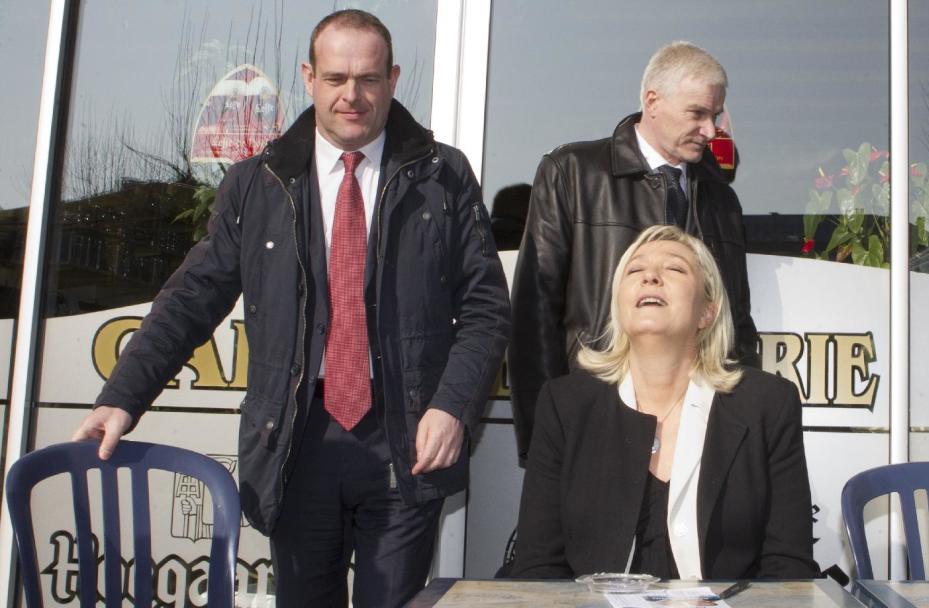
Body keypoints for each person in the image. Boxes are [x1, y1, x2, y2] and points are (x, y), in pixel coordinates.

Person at [71, 9, 510, 607]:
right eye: (335, 78)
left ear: (394, 78)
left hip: (405, 440)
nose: (351, 95)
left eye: (368, 79)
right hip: (295, 441)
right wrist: (120, 398)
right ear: (308, 77)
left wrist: (452, 406)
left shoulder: (443, 175)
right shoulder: (259, 182)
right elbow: (191, 299)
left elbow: (485, 308)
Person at [510, 225, 818, 580]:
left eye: (674, 269)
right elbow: (538, 566)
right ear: (618, 305)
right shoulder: (566, 404)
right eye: (635, 270)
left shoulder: (767, 404)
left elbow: (789, 567)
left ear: (707, 312)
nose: (651, 277)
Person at [509, 41, 759, 463]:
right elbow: (534, 317)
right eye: (697, 113)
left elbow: (737, 320)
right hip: (594, 420)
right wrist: (543, 443)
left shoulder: (721, 199)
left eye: (714, 116)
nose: (711, 130)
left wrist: (744, 425)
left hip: (700, 427)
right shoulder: (573, 172)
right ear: (652, 101)